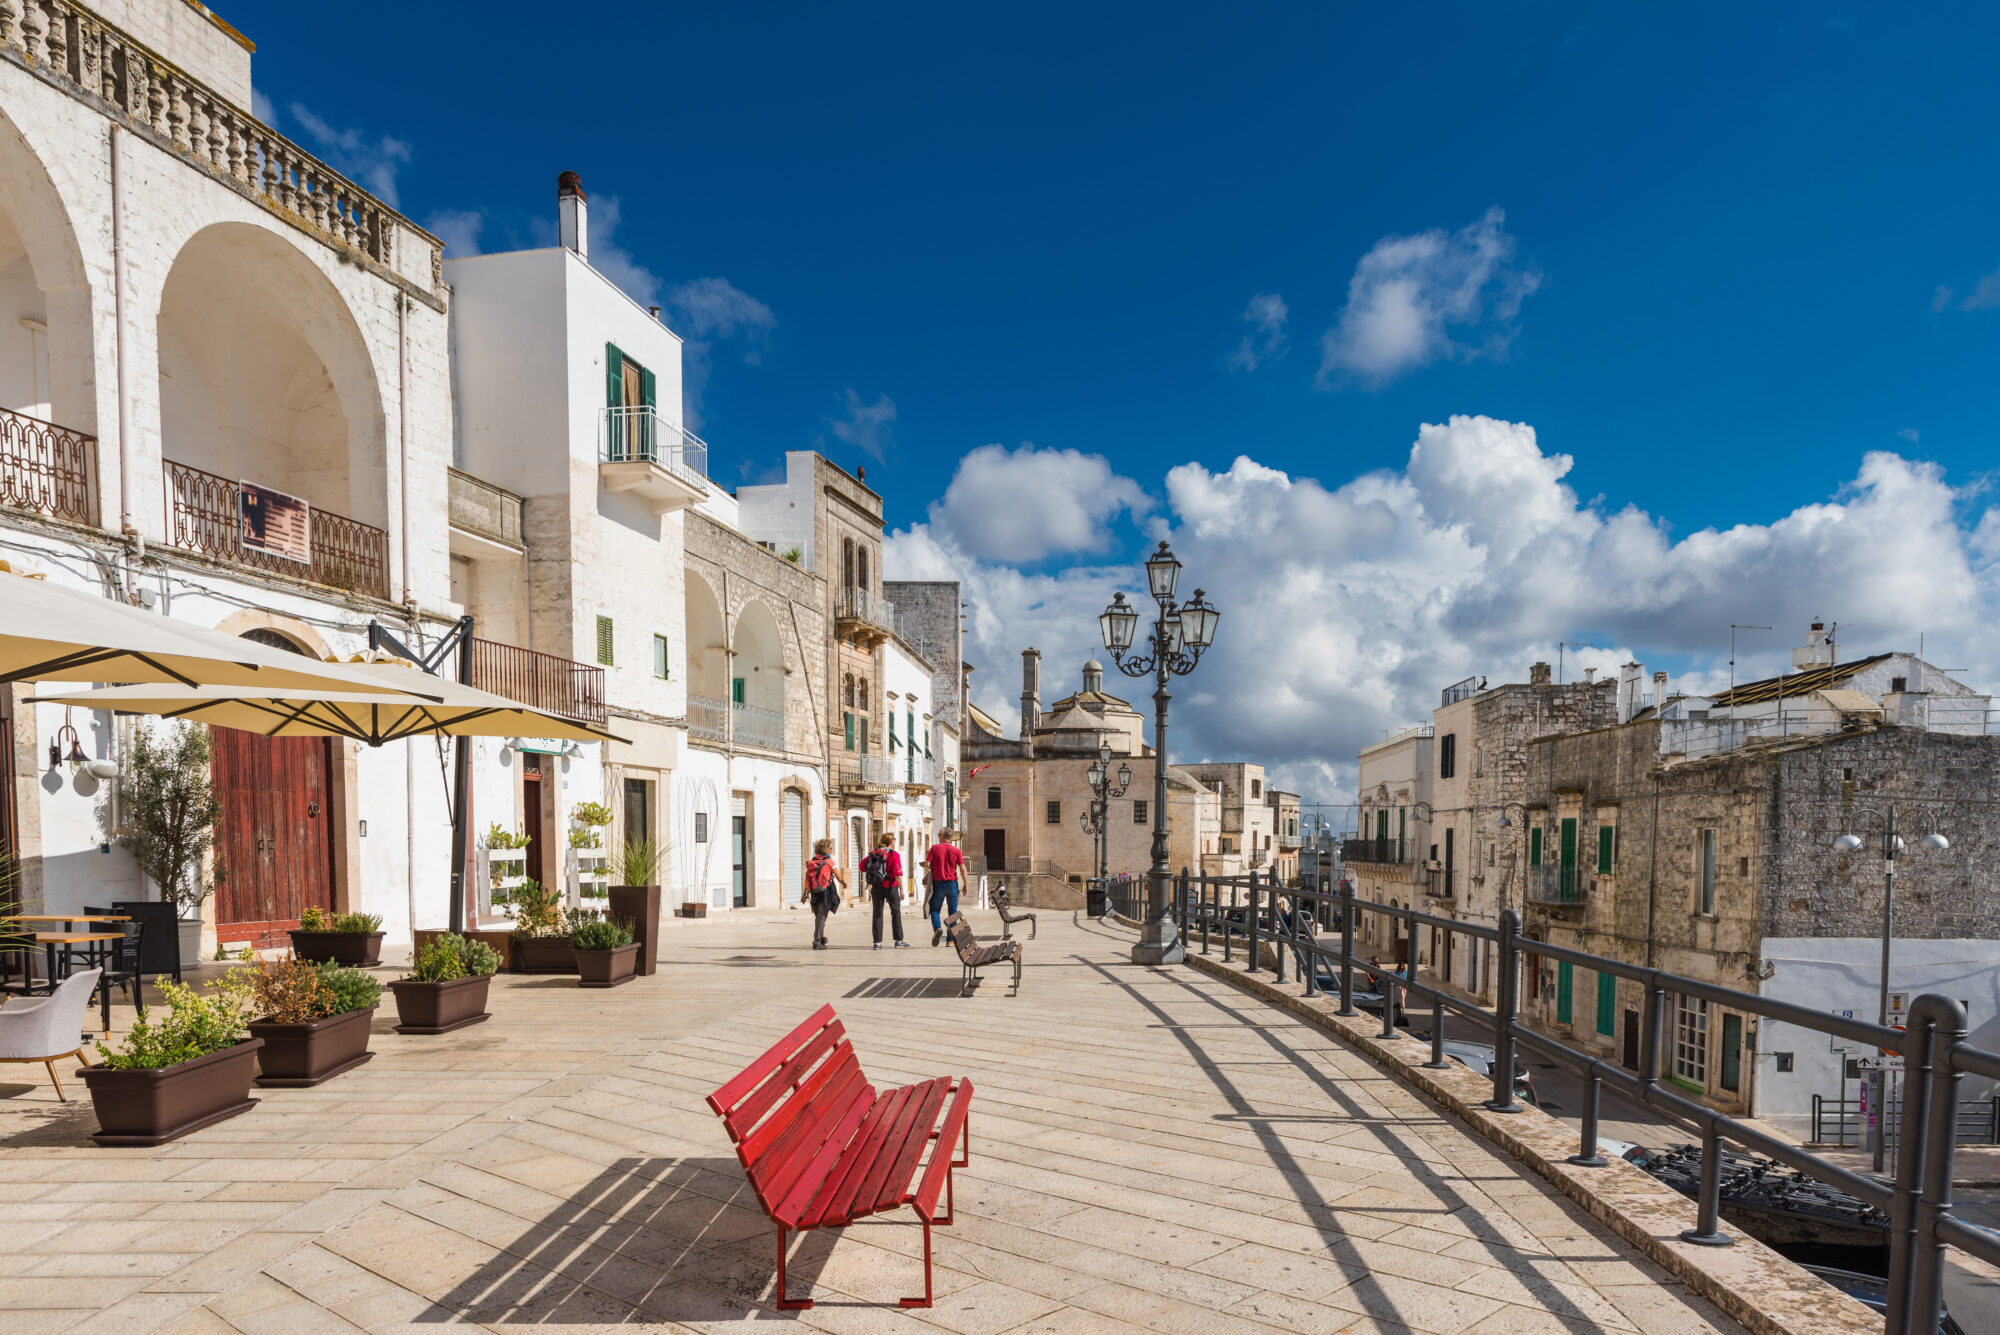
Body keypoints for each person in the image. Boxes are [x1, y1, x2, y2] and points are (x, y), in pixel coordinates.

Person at [862, 831, 909, 949]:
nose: (895, 841)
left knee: (877, 913)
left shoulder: (873, 853)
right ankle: (898, 941)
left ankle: (877, 943)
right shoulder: (894, 855)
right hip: (891, 887)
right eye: (894, 839)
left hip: (876, 887)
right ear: (891, 841)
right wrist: (901, 890)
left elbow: (862, 866)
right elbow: (897, 874)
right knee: (896, 912)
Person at [924, 829, 965, 946]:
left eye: (938, 834)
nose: (938, 836)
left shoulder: (935, 848)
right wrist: (966, 884)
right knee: (953, 912)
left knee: (935, 909)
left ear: (942, 836)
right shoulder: (956, 851)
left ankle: (937, 928)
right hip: (952, 884)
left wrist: (934, 867)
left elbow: (927, 864)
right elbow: (962, 869)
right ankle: (950, 940)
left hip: (938, 884)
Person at [805, 838, 846, 950]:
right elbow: (838, 876)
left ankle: (821, 939)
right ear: (826, 849)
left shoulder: (812, 861)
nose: (832, 850)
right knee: (822, 916)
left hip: (814, 892)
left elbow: (807, 879)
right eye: (830, 848)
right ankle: (817, 942)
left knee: (818, 916)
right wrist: (844, 883)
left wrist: (804, 894)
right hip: (825, 891)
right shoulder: (829, 861)